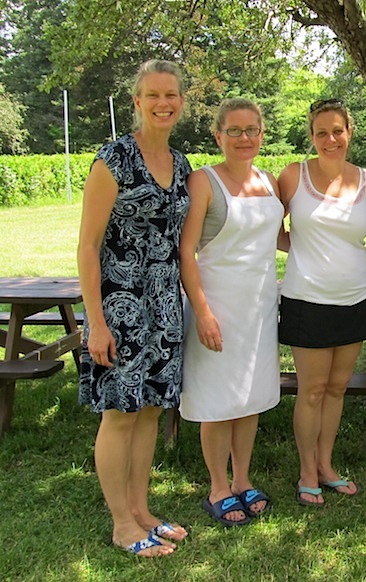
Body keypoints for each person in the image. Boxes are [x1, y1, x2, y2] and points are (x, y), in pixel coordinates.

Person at [77, 60, 190, 557]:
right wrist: (96, 323)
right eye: (153, 96)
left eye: (172, 96)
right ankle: (122, 523)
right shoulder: (114, 159)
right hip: (119, 305)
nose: (163, 104)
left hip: (164, 303)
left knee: (148, 412)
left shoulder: (182, 164)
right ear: (137, 102)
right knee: (119, 414)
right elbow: (87, 246)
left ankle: (142, 509)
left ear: (181, 103)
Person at [179, 99, 288, 526]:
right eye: (234, 130)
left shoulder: (269, 180)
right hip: (217, 307)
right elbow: (186, 251)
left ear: (262, 134)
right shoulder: (203, 182)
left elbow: (280, 240)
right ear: (218, 135)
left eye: (251, 130)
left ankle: (243, 479)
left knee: (250, 399)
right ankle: (218, 487)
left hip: (260, 307)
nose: (244, 138)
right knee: (218, 400)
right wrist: (203, 311)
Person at [278, 98, 366, 507]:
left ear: (349, 132)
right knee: (313, 390)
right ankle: (306, 471)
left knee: (336, 389)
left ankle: (326, 465)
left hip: (355, 298)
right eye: (321, 132)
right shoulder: (292, 176)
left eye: (337, 131)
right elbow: (269, 227)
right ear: (312, 136)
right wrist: (297, 247)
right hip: (307, 299)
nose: (330, 139)